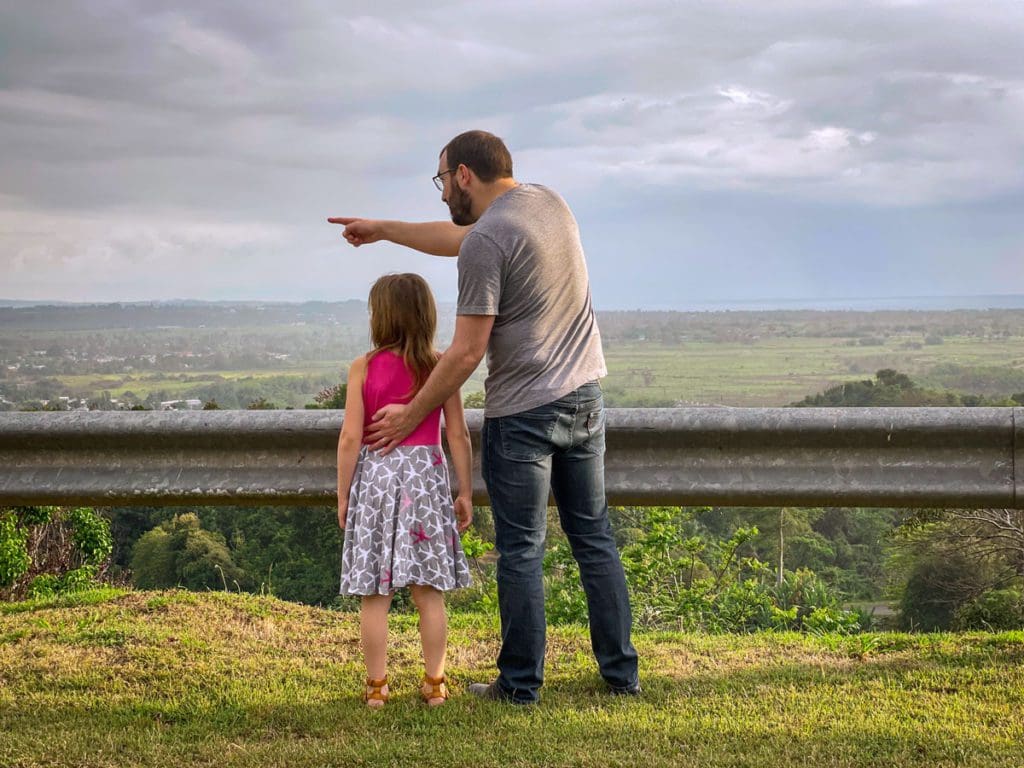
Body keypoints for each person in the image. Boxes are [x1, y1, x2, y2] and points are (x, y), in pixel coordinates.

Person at [329, 129, 639, 704]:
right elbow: (461, 237)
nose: (442, 192)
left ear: (464, 175)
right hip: (585, 397)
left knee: (522, 549)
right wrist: (384, 231)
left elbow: (467, 351)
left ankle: (520, 685)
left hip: (524, 411)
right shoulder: (549, 203)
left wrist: (408, 415)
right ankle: (621, 675)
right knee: (593, 536)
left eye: (443, 180)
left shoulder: (485, 241)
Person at [336, 272, 474, 708]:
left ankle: (376, 688)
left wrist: (344, 496)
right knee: (428, 593)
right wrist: (465, 490)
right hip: (427, 482)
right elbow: (458, 435)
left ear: (381, 316)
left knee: (375, 593)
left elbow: (349, 438)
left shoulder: (363, 367)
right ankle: (435, 683)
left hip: (376, 481)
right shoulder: (440, 365)